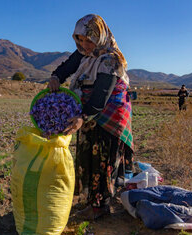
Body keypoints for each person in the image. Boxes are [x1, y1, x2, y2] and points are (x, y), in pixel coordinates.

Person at [48, 14, 134, 219]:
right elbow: (67, 67)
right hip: (88, 112)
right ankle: (92, 202)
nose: (84, 45)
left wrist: (82, 117)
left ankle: (100, 207)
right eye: (80, 39)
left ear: (100, 37)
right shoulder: (85, 53)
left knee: (102, 159)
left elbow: (101, 96)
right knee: (88, 156)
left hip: (108, 115)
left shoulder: (111, 59)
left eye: (89, 40)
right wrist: (56, 76)